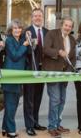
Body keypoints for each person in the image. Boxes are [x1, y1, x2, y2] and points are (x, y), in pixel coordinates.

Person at [43, 17, 77, 137]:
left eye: (70, 26)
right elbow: (45, 49)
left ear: (71, 28)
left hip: (65, 74)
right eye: (66, 25)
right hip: (52, 72)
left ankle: (57, 124)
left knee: (62, 100)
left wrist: (71, 71)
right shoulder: (51, 34)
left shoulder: (72, 39)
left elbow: (73, 57)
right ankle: (52, 126)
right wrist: (58, 52)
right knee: (55, 99)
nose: (67, 27)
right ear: (61, 25)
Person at [2, 19, 31, 138]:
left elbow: (29, 52)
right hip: (10, 76)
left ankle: (4, 127)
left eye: (19, 28)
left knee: (12, 103)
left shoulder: (21, 39)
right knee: (11, 104)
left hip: (19, 76)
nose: (17, 30)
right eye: (15, 28)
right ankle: (11, 131)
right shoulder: (9, 40)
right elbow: (14, 56)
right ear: (11, 30)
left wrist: (28, 40)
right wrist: (24, 46)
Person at [23, 8, 49, 136]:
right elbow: (24, 50)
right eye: (35, 16)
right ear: (32, 18)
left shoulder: (46, 32)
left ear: (42, 17)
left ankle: (35, 122)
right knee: (29, 98)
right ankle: (29, 126)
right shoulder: (26, 32)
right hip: (30, 70)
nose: (38, 18)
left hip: (42, 70)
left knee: (38, 97)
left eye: (40, 16)